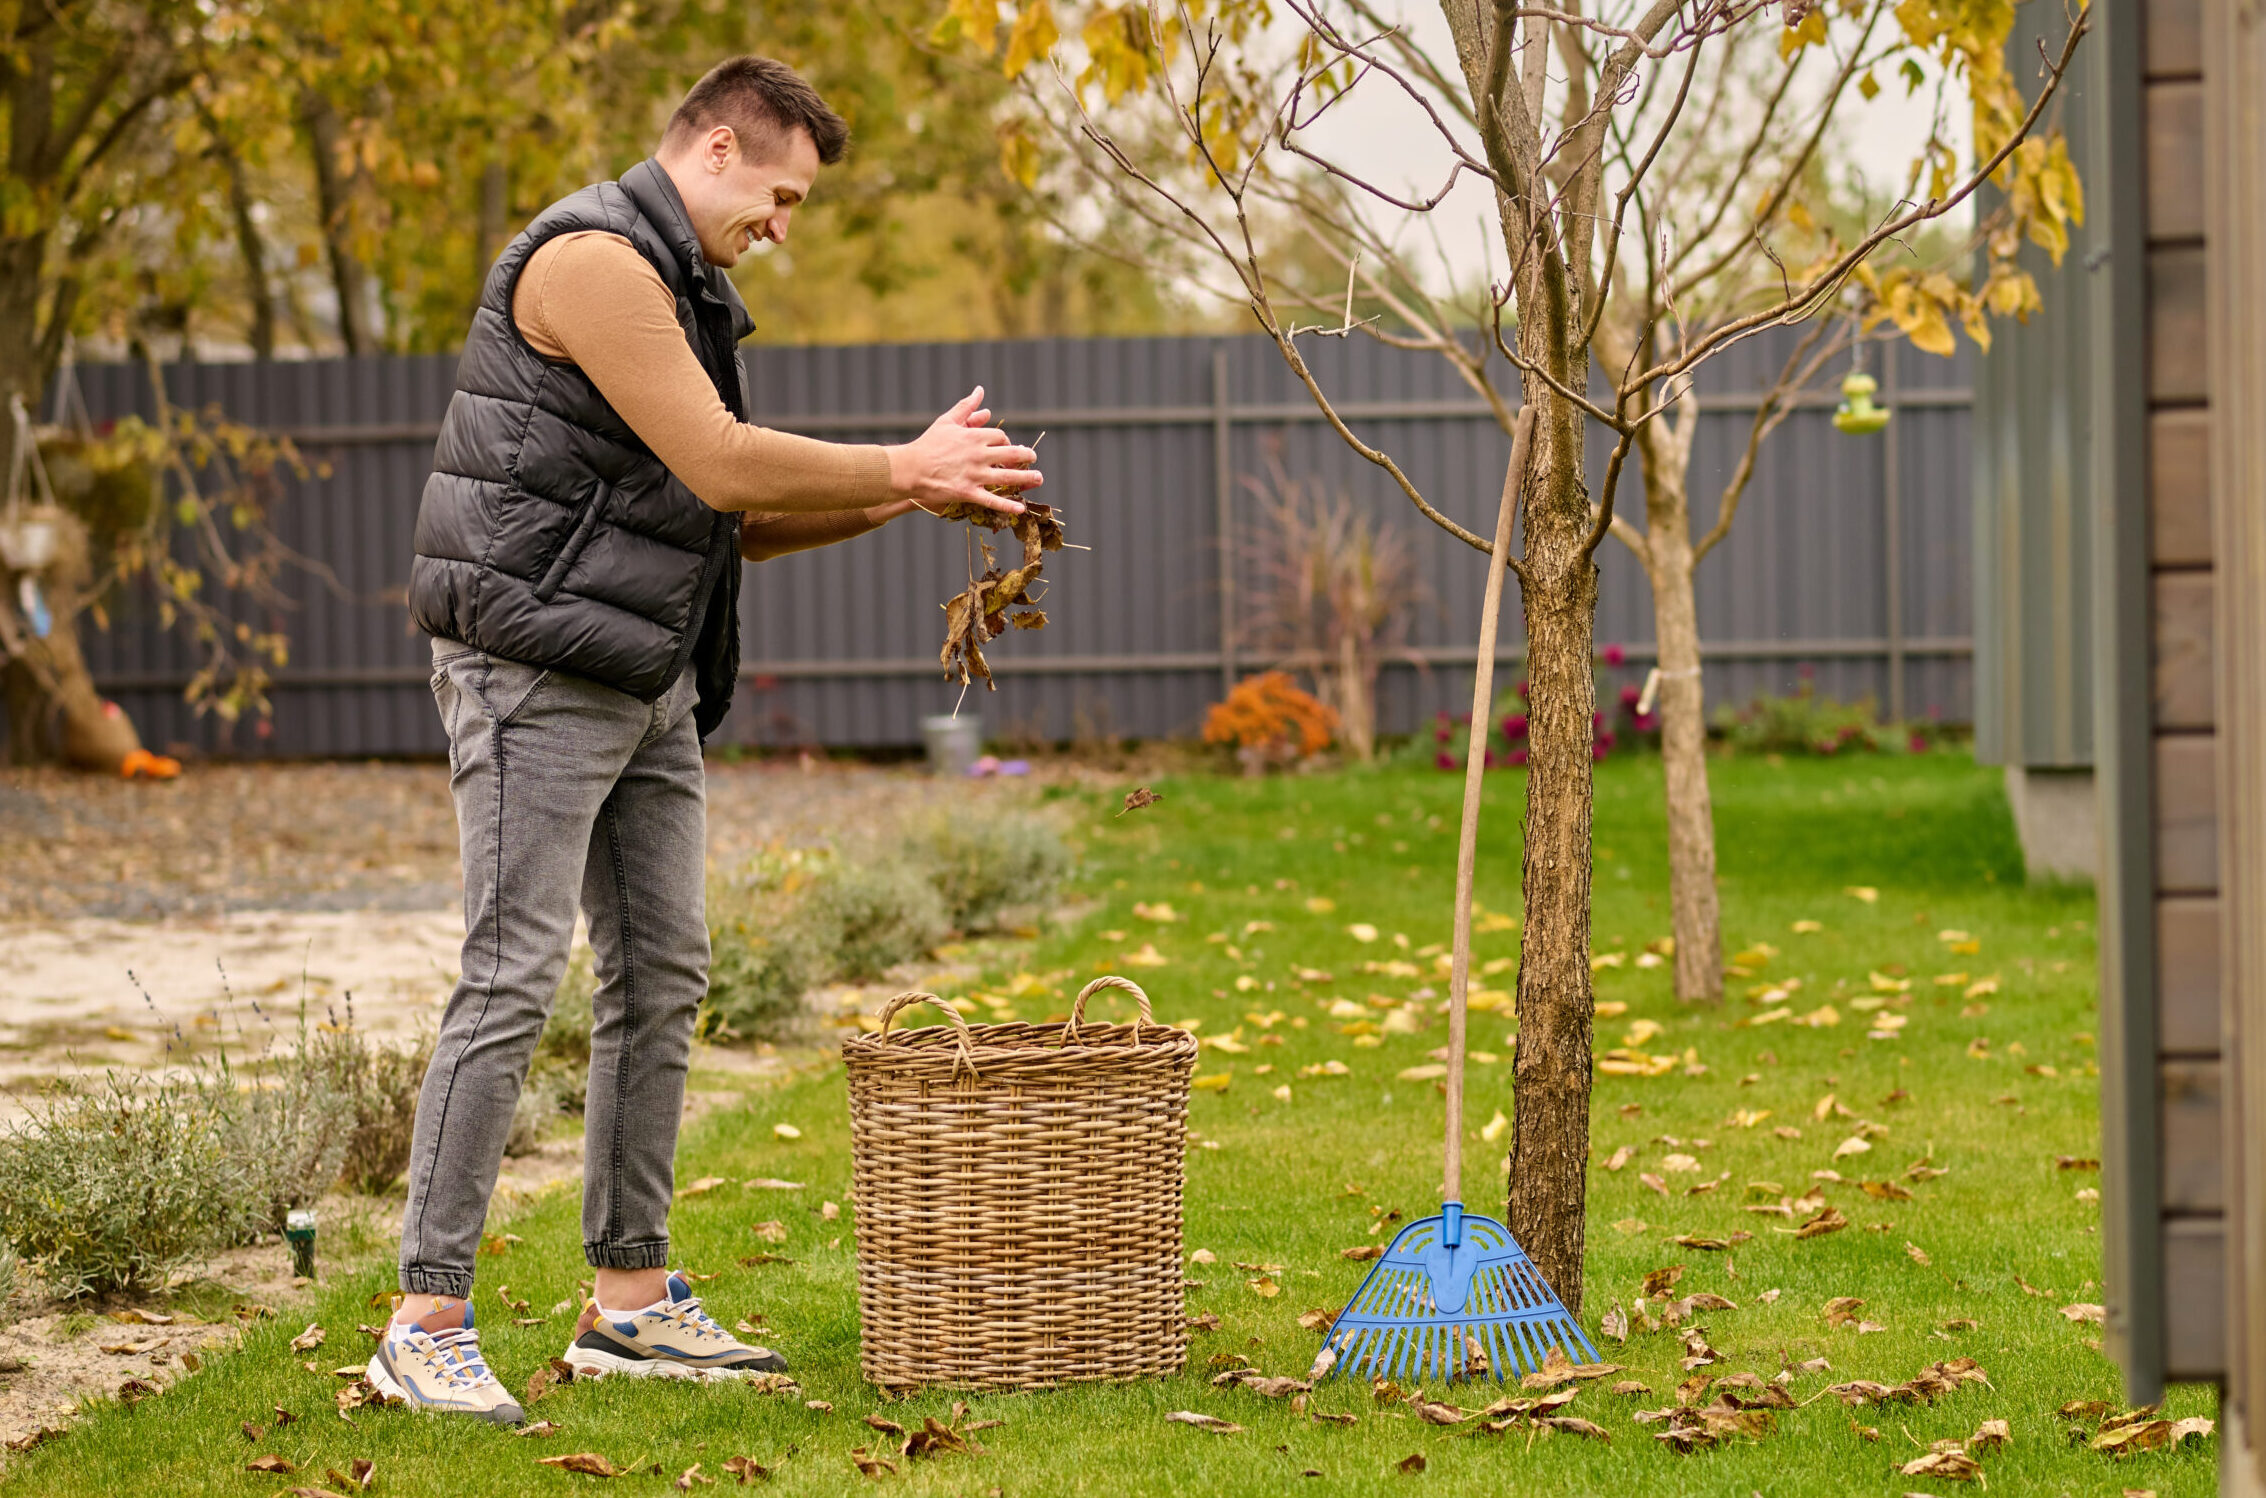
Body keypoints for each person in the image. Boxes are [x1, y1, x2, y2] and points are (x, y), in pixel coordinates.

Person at [374, 55, 1042, 1424]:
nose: (785, 225)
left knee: (663, 972)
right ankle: (422, 1317)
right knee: (509, 977)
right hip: (531, 663)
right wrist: (904, 466)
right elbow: (727, 461)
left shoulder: (681, 286)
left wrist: (905, 498)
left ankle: (628, 1300)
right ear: (719, 145)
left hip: (642, 675)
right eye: (781, 195)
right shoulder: (593, 263)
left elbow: (720, 515)